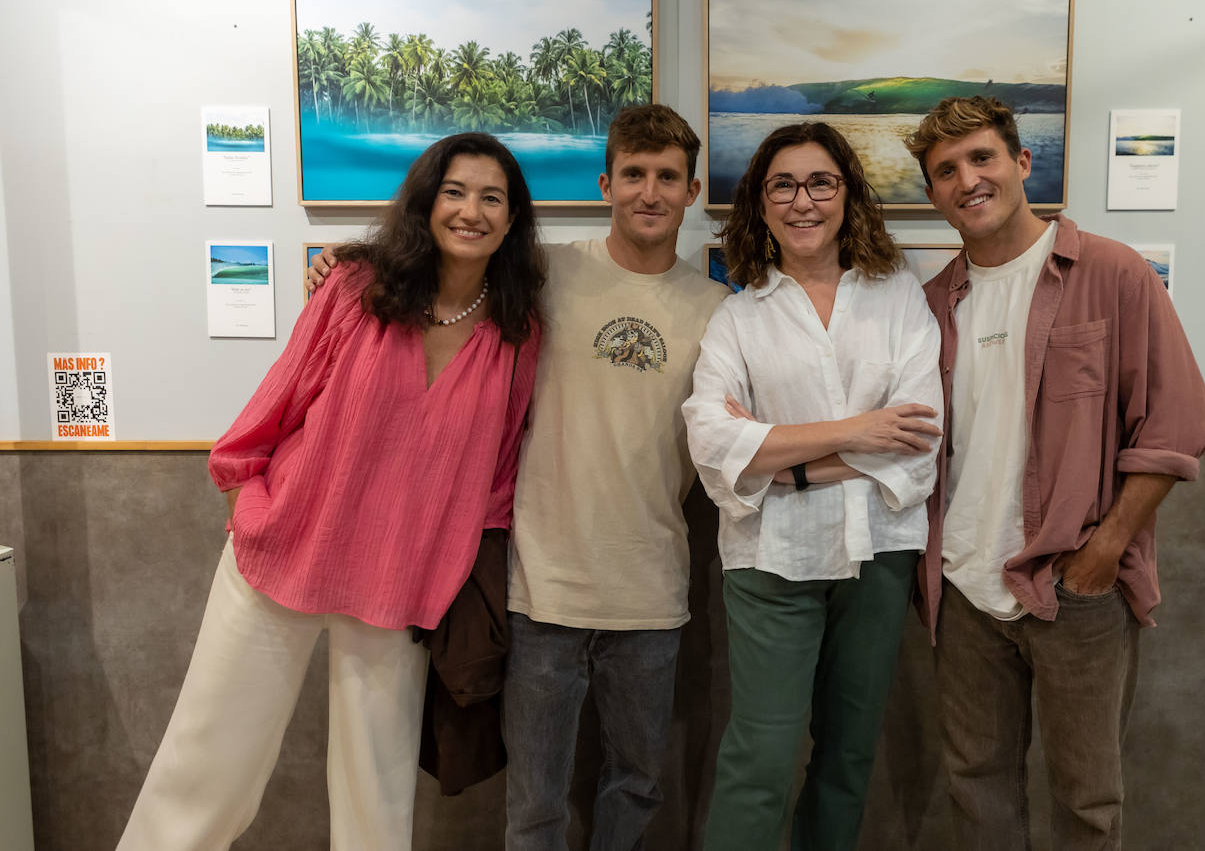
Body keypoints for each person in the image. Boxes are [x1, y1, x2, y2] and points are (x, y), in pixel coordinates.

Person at [309, 104, 728, 850]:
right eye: (634, 174)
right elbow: (444, 259)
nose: (650, 192)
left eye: (668, 177)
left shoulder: (718, 310)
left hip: (652, 590)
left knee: (637, 784)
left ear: (692, 191)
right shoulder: (545, 271)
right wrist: (348, 258)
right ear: (606, 183)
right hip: (540, 589)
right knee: (534, 804)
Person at [119, 132, 545, 851]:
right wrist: (252, 510)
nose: (471, 210)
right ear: (426, 201)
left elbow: (498, 476)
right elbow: (273, 408)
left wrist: (455, 576)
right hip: (282, 555)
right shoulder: (355, 290)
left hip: (401, 586)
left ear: (511, 221)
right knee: (206, 765)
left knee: (375, 799)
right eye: (455, 191)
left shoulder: (516, 333)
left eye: (491, 197)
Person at [903, 95, 1205, 849]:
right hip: (965, 593)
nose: (967, 180)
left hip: (1078, 592)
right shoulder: (931, 305)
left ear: (1022, 163)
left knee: (1088, 800)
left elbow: (1177, 424)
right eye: (946, 170)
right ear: (933, 193)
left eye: (981, 158)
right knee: (976, 792)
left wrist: (1106, 549)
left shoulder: (1111, 272)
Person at [681, 122, 943, 850]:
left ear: (847, 194)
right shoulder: (737, 316)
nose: (803, 201)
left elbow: (919, 444)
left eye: (820, 182)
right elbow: (711, 442)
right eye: (783, 185)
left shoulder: (898, 298)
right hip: (770, 561)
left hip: (879, 554)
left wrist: (784, 462)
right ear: (759, 205)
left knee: (848, 756)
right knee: (760, 759)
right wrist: (857, 431)